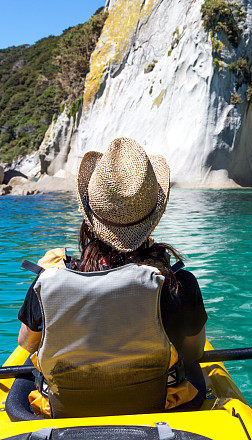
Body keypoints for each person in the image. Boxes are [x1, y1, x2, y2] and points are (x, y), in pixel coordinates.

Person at [15, 137, 208, 419]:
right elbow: (194, 351)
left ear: (91, 215)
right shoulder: (179, 285)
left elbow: (27, 344)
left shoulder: (49, 283)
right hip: (155, 402)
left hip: (64, 409)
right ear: (152, 216)